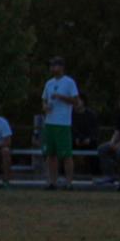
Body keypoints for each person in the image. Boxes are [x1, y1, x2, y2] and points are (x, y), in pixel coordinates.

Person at [39, 55, 80, 191]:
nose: (52, 68)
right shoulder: (49, 83)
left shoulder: (69, 82)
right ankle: (52, 182)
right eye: (51, 65)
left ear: (61, 67)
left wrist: (61, 97)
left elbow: (76, 101)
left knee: (66, 155)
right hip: (50, 122)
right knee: (51, 154)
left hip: (63, 123)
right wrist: (45, 107)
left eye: (54, 65)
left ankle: (69, 183)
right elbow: (44, 100)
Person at [69, 94, 100, 161]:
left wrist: (89, 139)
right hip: (75, 141)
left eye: (77, 100)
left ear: (83, 102)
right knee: (66, 148)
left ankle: (96, 171)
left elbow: (94, 130)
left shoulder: (91, 115)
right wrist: (76, 138)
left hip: (88, 141)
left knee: (94, 148)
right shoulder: (70, 115)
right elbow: (71, 129)